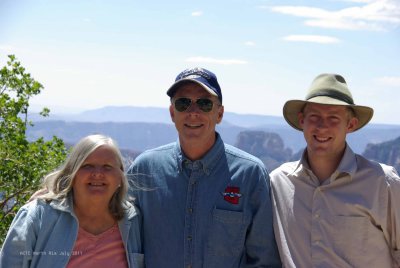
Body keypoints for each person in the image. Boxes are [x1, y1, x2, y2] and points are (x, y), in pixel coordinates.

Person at [127, 67, 281, 268]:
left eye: (204, 103)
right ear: (173, 113)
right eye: (183, 103)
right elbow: (119, 240)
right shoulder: (145, 170)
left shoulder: (250, 175)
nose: (193, 113)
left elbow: (264, 260)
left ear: (219, 113)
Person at [270, 73, 400, 267]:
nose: (322, 127)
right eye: (314, 116)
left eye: (333, 118)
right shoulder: (278, 182)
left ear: (351, 125)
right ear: (302, 121)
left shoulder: (383, 183)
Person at [0, 134, 144, 268]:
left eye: (107, 167)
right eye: (87, 166)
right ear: (72, 173)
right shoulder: (38, 216)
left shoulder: (133, 221)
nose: (98, 173)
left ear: (120, 177)